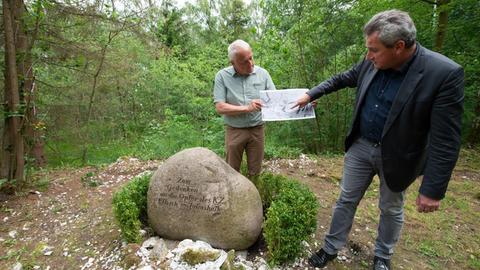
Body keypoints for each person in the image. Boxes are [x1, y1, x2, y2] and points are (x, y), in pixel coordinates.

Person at [293, 10, 464, 270]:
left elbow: (446, 139)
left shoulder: (442, 74)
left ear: (399, 47)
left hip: (400, 156)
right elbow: (343, 78)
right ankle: (330, 248)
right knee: (346, 200)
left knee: (391, 208)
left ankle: (382, 256)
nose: (368, 56)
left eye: (374, 50)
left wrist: (432, 189)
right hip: (361, 146)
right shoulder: (371, 61)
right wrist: (311, 94)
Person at [213, 40, 276, 177]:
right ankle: (232, 198)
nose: (251, 64)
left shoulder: (263, 74)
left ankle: (253, 197)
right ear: (233, 63)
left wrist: (305, 104)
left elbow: (277, 101)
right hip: (234, 131)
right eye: (244, 62)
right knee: (231, 171)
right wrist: (247, 108)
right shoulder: (222, 76)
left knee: (255, 172)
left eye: (251, 58)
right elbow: (220, 107)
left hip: (257, 130)